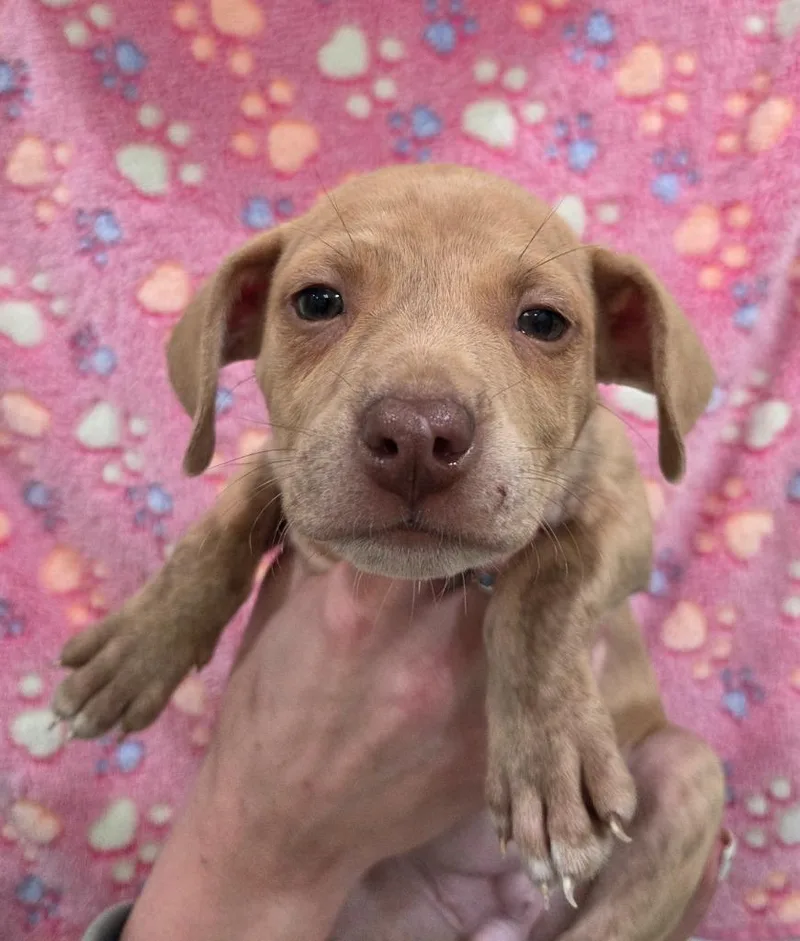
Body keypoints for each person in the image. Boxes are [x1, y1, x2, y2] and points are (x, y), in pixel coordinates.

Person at [82, 552, 731, 941]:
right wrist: (260, 861)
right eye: (321, 309)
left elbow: (614, 514)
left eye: (538, 321)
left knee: (686, 780)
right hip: (360, 892)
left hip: (561, 864)